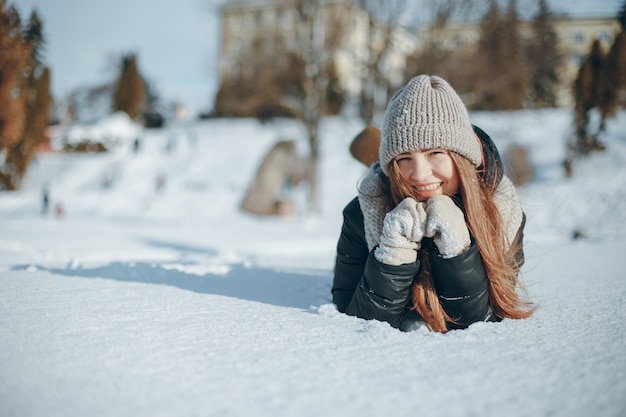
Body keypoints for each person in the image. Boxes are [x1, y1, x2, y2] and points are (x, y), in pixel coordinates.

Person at [332, 74, 534, 333]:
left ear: (460, 157)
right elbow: (352, 320)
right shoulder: (362, 212)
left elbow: (483, 323)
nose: (419, 173)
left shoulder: (502, 211)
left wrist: (458, 251)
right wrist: (391, 257)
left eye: (435, 153)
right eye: (404, 157)